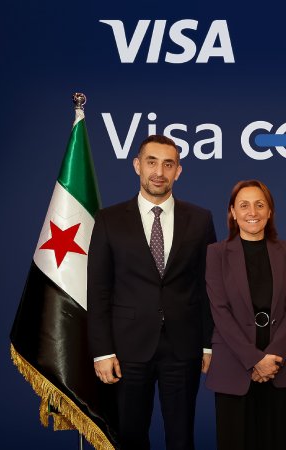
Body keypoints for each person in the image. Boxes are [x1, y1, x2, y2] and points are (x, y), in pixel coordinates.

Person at [87, 135, 216, 450]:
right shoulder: (109, 220)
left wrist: (208, 345)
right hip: (127, 348)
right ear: (137, 166)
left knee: (181, 437)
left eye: (168, 164)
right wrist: (103, 351)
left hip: (183, 347)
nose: (159, 171)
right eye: (152, 162)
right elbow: (99, 289)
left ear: (178, 171)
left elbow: (208, 286)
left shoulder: (200, 220)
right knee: (130, 436)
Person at [205, 180, 286, 450]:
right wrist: (254, 360)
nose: (253, 212)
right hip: (233, 366)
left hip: (279, 367)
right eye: (244, 205)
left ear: (270, 211)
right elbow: (220, 311)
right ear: (233, 213)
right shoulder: (216, 253)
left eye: (260, 205)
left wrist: (270, 359)